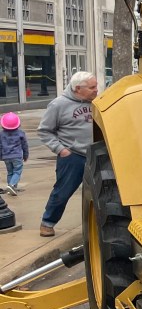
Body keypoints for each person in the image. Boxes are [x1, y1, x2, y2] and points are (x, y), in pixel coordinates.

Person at [37, 70, 98, 237]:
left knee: (102, 192)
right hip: (73, 157)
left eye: (96, 86)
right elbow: (44, 131)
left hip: (96, 154)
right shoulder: (58, 105)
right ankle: (47, 223)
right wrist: (61, 150)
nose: (96, 90)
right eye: (92, 87)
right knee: (62, 192)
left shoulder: (97, 102)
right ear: (78, 88)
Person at [1, 111, 30, 196]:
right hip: (17, 156)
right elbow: (25, 145)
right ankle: (11, 185)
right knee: (17, 172)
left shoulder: (1, 134)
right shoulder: (20, 133)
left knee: (10, 172)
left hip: (6, 157)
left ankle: (12, 188)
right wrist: (25, 155)